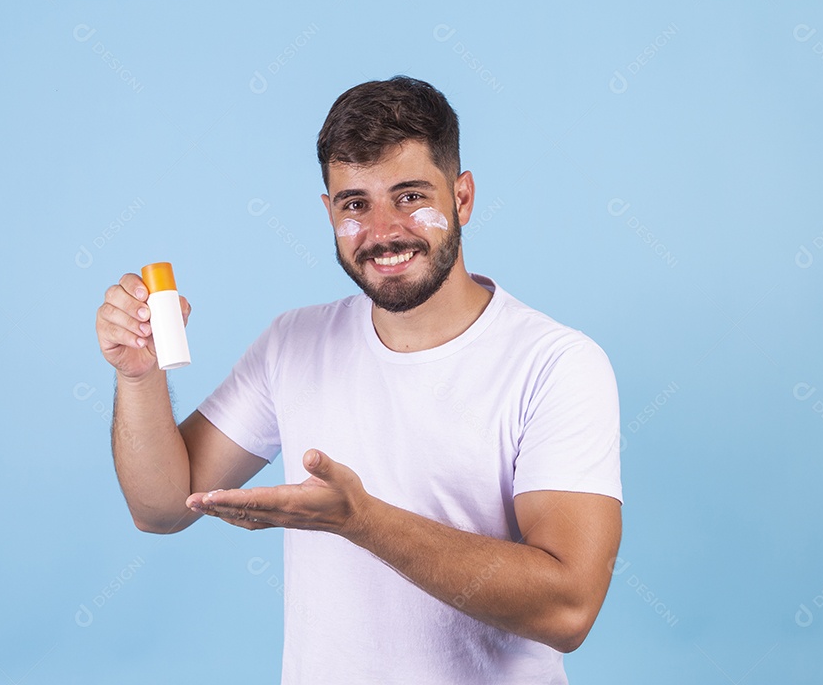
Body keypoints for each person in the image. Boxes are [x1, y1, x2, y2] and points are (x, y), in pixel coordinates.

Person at [96, 76, 622, 684]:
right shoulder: (293, 344)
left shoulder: (556, 364)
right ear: (328, 211)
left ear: (464, 198)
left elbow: (570, 608)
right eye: (355, 204)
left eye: (409, 196)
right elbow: (161, 507)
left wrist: (361, 520)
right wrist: (138, 379)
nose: (383, 231)